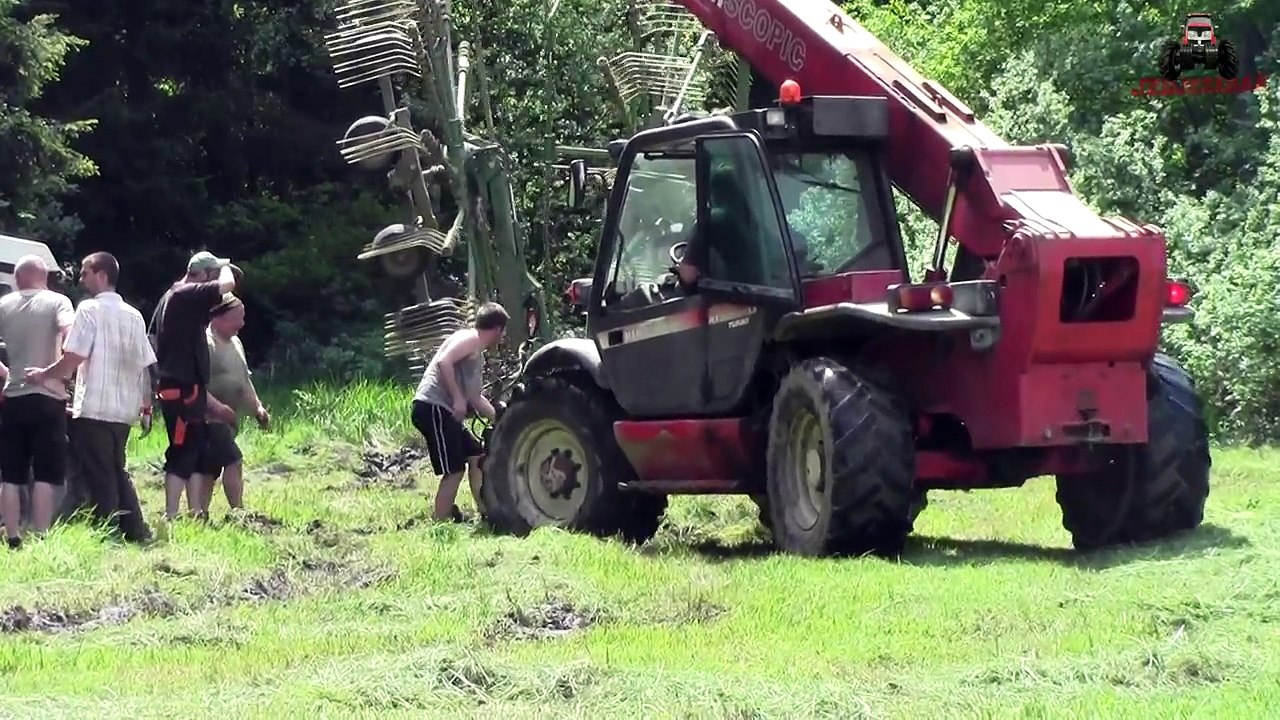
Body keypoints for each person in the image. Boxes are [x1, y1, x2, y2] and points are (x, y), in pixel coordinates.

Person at [26, 252, 157, 544]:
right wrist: (146, 407)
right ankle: (136, 530)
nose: (81, 278)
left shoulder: (88, 310)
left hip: (95, 406)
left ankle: (110, 532)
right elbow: (144, 365)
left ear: (101, 274)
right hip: (124, 409)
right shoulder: (134, 315)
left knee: (100, 473)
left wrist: (44, 376)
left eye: (85, 272)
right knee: (115, 468)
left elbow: (73, 356)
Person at [149, 251, 239, 521]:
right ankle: (171, 514)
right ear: (204, 275)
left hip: (186, 390)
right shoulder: (184, 294)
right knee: (182, 451)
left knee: (194, 451)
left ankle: (195, 512)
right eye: (211, 274)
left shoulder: (174, 297)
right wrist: (225, 270)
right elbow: (229, 285)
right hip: (182, 391)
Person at [0, 255, 75, 549]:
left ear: (18, 278)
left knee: (12, 472)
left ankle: (13, 535)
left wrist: (7, 375)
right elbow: (71, 338)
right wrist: (58, 371)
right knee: (46, 470)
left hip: (14, 396)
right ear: (43, 276)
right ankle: (41, 534)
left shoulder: (4, 305)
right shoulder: (58, 302)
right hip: (47, 394)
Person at [411, 302, 508, 522]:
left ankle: (485, 511)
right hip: (433, 407)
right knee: (454, 469)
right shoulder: (471, 339)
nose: (502, 338)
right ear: (497, 329)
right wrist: (456, 398)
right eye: (503, 332)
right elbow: (444, 362)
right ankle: (441, 521)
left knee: (477, 455)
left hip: (443, 411)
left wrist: (502, 423)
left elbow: (475, 397)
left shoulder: (475, 351)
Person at [197, 294, 268, 514]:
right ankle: (239, 511)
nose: (242, 323)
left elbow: (244, 381)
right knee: (234, 460)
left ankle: (200, 514)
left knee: (210, 469)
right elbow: (196, 386)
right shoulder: (206, 344)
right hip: (209, 419)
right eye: (237, 318)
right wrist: (217, 408)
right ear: (218, 317)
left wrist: (257, 407)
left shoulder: (236, 342)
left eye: (243, 318)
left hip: (229, 420)